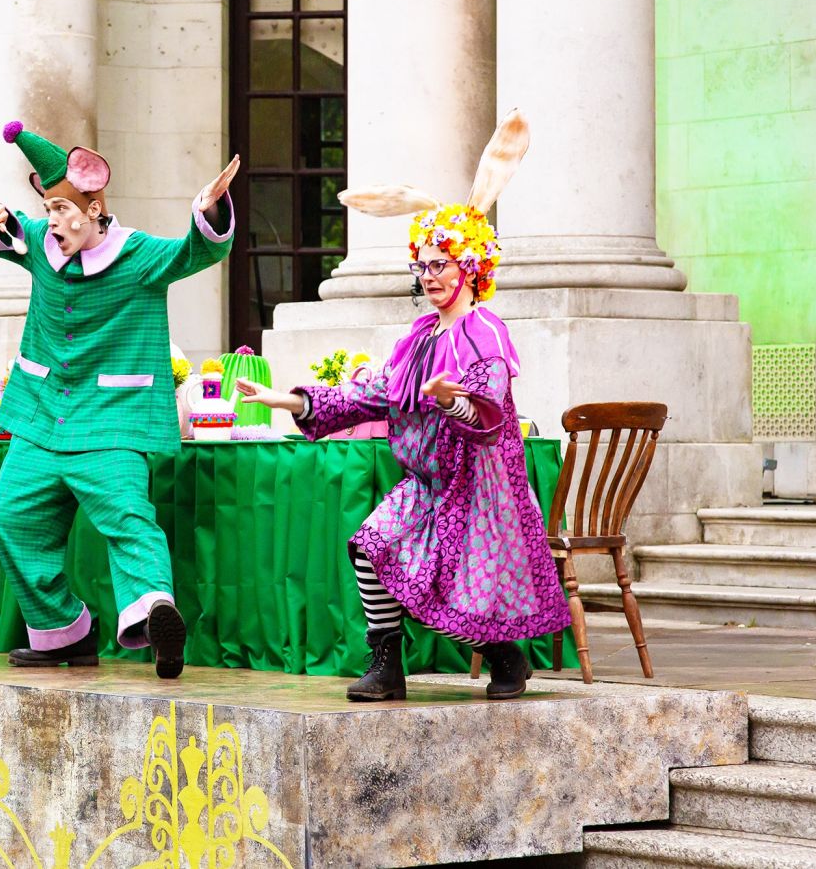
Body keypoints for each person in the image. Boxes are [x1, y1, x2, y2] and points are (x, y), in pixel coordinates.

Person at [236, 110, 571, 700]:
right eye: (423, 266)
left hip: (479, 483)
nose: (430, 276)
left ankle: (506, 657)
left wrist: (456, 402)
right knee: (371, 544)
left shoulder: (486, 331)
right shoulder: (417, 339)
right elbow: (372, 393)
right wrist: (284, 397)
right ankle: (386, 665)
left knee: (475, 586)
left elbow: (489, 409)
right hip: (426, 480)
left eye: (439, 264)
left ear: (470, 265)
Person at [0, 119, 239, 679]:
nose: (52, 222)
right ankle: (63, 631)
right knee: (8, 520)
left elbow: (196, 251)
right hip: (43, 418)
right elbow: (8, 235)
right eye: (47, 210)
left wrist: (210, 209)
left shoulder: (138, 255)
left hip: (111, 421)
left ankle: (155, 611)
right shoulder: (42, 245)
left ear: (94, 209)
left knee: (126, 517)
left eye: (62, 211)